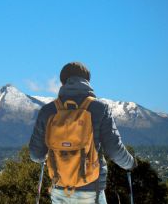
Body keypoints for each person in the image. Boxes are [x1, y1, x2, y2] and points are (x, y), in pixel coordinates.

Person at [29, 62, 136, 204]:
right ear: (87, 81)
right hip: (91, 190)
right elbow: (115, 150)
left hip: (59, 188)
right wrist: (131, 164)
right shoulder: (99, 108)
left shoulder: (48, 111)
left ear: (62, 81)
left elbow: (35, 155)